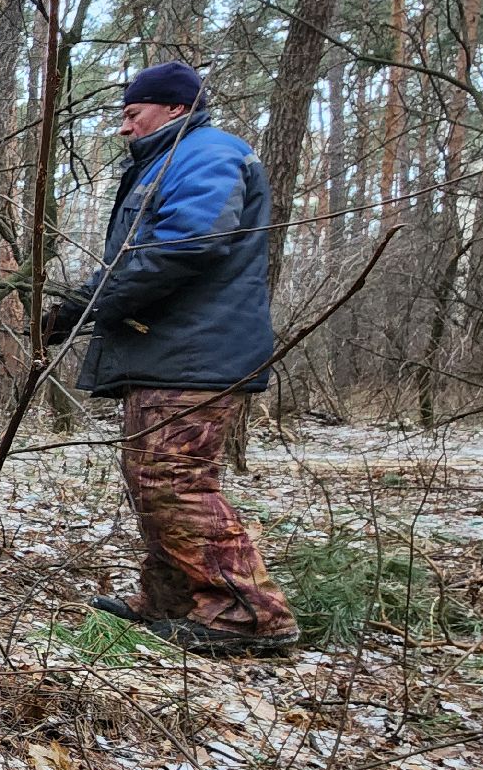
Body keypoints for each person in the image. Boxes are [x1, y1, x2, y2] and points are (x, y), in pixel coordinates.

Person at [46, 61, 300, 655]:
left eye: (133, 115)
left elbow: (181, 248)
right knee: (151, 479)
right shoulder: (166, 163)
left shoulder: (209, 153)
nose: (124, 128)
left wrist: (87, 309)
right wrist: (76, 309)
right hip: (168, 350)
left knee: (174, 479)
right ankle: (174, 602)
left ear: (175, 109)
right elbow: (137, 257)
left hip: (196, 353)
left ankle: (252, 613)